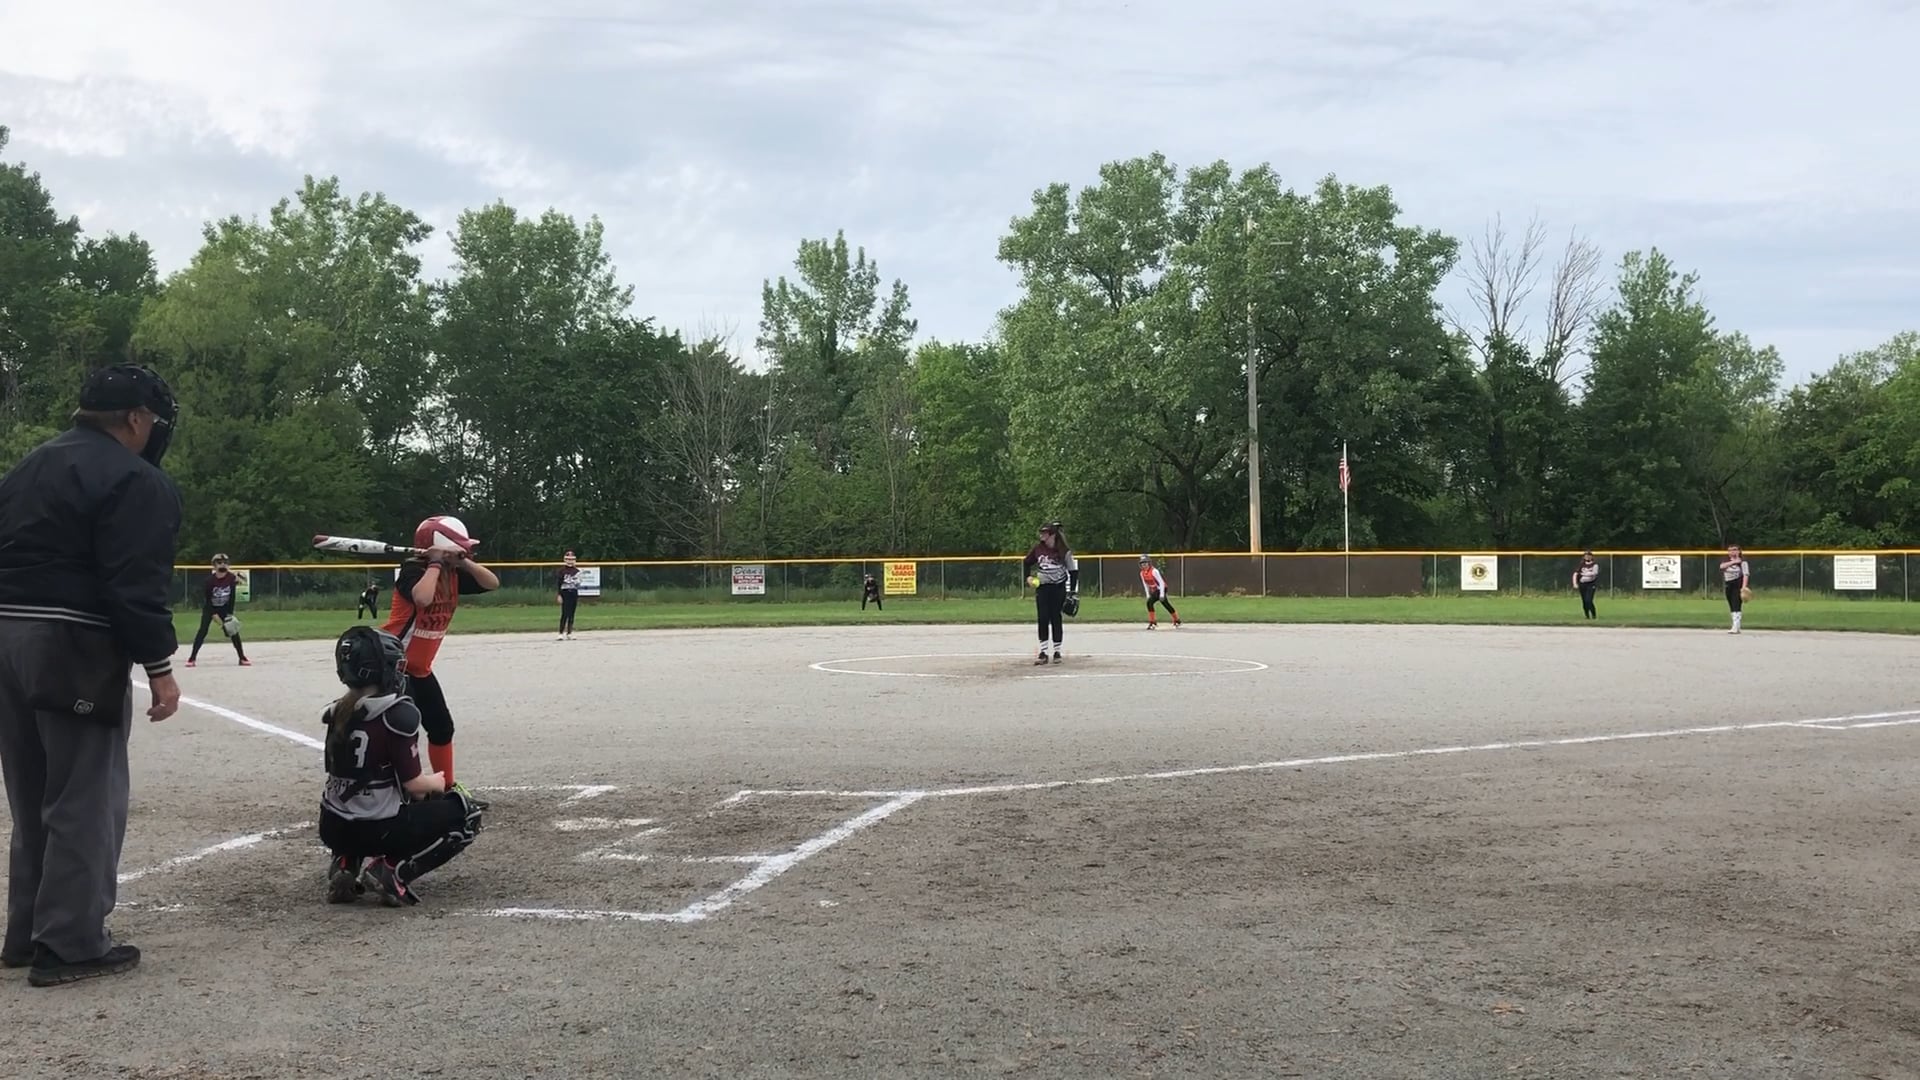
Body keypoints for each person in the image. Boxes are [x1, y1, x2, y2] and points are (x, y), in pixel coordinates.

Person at [0, 363, 183, 987]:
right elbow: (135, 584)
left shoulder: (31, 464)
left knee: (32, 794)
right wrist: (160, 668)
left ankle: (27, 934)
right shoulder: (135, 478)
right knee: (84, 796)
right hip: (70, 641)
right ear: (135, 419)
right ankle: (71, 944)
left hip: (6, 634)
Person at [319, 626, 482, 908]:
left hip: (331, 826)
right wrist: (438, 782)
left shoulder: (336, 711)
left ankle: (345, 860)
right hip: (376, 829)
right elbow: (415, 786)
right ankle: (393, 870)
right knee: (466, 814)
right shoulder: (397, 712)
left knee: (367, 794)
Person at [381, 515, 499, 789]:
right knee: (401, 731)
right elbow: (422, 598)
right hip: (393, 667)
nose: (465, 549)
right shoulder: (412, 571)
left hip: (420, 669)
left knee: (442, 728)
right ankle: (401, 789)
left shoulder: (453, 575)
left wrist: (462, 562)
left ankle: (446, 789)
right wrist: (434, 563)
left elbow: (492, 583)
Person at [1022, 522, 1079, 665]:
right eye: (1041, 532)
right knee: (1043, 618)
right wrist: (1027, 577)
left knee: (1055, 618)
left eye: (1045, 532)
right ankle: (1043, 652)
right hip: (1042, 588)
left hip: (1058, 588)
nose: (1041, 535)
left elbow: (1073, 572)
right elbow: (1026, 562)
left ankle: (1057, 651)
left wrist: (1072, 592)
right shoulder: (1038, 549)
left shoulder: (1063, 551)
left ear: (1052, 535)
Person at [185, 553, 249, 667]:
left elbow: (232, 597)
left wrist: (230, 614)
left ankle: (242, 658)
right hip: (210, 608)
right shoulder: (209, 581)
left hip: (224, 608)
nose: (223, 565)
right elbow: (207, 599)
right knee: (202, 631)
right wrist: (213, 614)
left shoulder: (231, 578)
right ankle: (192, 658)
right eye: (219, 563)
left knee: (233, 631)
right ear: (214, 566)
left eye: (225, 563)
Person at [1139, 554, 1180, 629]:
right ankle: (1176, 620)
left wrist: (1161, 594)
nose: (1144, 565)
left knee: (1150, 603)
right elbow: (1145, 584)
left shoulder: (1154, 571)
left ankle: (1153, 622)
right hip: (1155, 590)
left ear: (1149, 563)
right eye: (1142, 563)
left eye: (1145, 563)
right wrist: (1147, 595)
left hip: (1162, 588)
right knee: (1165, 604)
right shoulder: (1142, 573)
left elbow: (1161, 582)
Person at [1720, 544, 1751, 634]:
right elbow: (1722, 567)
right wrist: (1733, 562)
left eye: (1734, 550)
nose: (1732, 552)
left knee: (1736, 605)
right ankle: (1736, 626)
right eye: (1730, 550)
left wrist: (1743, 587)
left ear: (1739, 551)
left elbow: (1745, 575)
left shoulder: (1743, 562)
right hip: (1728, 585)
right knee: (1731, 605)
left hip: (1737, 585)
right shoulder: (1726, 561)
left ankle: (1735, 626)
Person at [556, 551, 581, 641]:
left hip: (573, 592)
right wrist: (559, 595)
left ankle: (569, 632)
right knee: (564, 613)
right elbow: (559, 584)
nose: (570, 561)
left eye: (572, 559)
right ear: (565, 560)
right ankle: (560, 632)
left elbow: (578, 583)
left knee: (571, 614)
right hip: (565, 592)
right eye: (568, 559)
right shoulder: (562, 571)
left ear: (575, 560)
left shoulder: (577, 571)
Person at [1572, 551, 1600, 621]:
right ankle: (1587, 616)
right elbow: (1575, 574)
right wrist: (1575, 583)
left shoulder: (1594, 565)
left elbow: (1595, 573)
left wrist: (1585, 574)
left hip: (1590, 584)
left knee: (1589, 600)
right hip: (1582, 584)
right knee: (1584, 601)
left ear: (1591, 556)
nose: (1587, 557)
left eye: (1589, 555)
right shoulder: (1581, 564)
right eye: (1586, 555)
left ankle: (1593, 615)